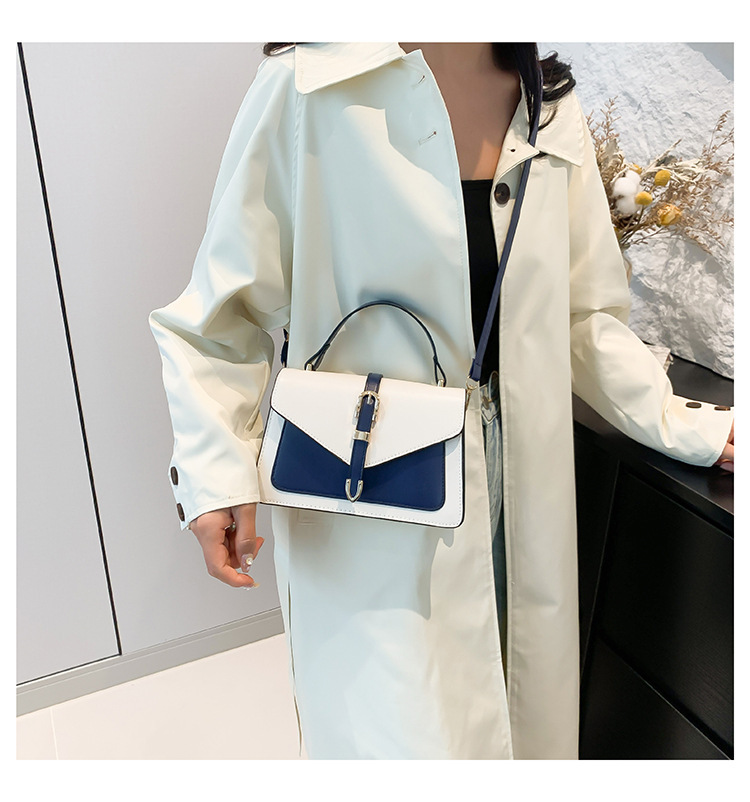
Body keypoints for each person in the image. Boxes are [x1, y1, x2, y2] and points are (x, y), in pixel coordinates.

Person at [148, 42, 735, 759]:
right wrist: (214, 473)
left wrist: (683, 423)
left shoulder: (547, 105)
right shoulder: (307, 88)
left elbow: (582, 316)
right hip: (374, 499)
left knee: (521, 728)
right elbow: (215, 319)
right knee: (402, 739)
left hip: (523, 495)